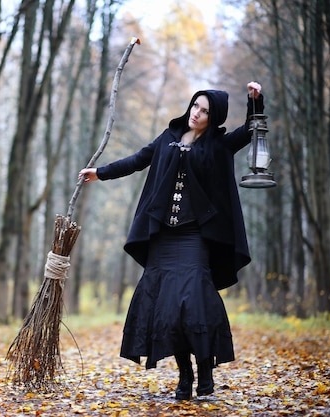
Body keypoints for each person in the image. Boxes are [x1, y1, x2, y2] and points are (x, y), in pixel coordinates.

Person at [78, 82, 264, 400]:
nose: (197, 113)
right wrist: (101, 172)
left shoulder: (219, 144)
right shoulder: (168, 138)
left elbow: (251, 130)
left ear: (213, 116)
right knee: (167, 311)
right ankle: (185, 375)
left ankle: (205, 370)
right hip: (164, 236)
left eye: (205, 111)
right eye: (195, 106)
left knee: (194, 306)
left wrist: (255, 101)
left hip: (194, 237)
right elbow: (138, 159)